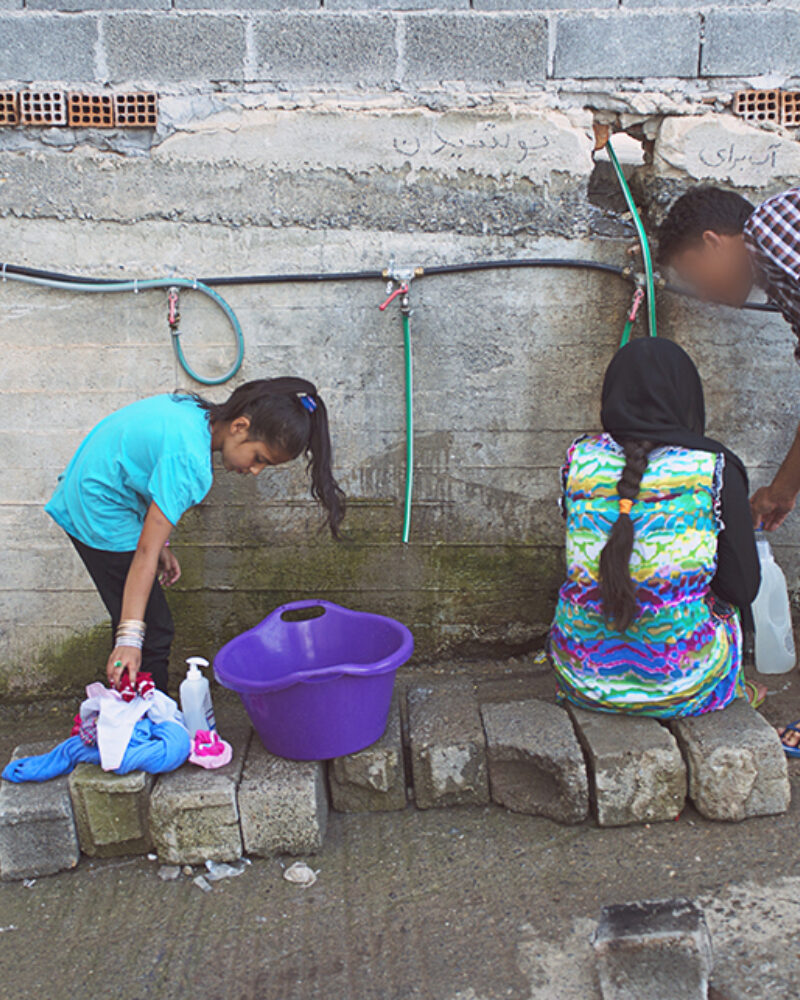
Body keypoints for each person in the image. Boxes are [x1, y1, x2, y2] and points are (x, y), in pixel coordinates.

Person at [45, 378, 345, 694]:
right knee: (151, 633)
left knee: (141, 623)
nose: (255, 471)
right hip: (97, 508)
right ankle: (149, 726)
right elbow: (145, 553)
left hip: (96, 486)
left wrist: (162, 544)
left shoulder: (193, 413)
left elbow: (147, 475)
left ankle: (134, 707)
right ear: (240, 427)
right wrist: (130, 639)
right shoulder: (190, 462)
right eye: (259, 458)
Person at [549, 338, 760, 717]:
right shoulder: (713, 466)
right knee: (728, 606)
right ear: (687, 398)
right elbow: (741, 587)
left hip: (580, 677)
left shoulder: (578, 457)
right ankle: (734, 685)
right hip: (684, 684)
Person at [657, 184, 800, 532]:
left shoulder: (770, 227)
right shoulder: (782, 288)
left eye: (695, 277)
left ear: (713, 243)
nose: (705, 296)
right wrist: (783, 490)